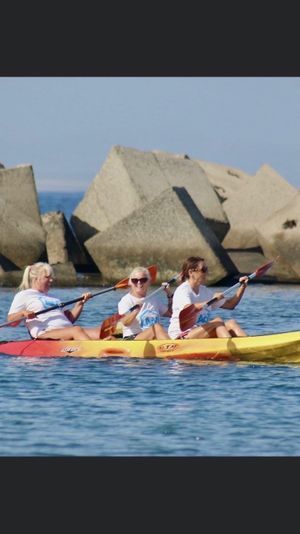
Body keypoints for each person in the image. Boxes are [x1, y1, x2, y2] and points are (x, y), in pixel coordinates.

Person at [7, 262, 108, 341]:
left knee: (101, 331)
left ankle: (112, 344)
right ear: (36, 278)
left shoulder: (53, 298)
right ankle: (94, 348)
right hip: (44, 334)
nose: (51, 280)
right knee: (76, 330)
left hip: (67, 331)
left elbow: (70, 319)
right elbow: (11, 321)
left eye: (51, 277)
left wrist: (80, 303)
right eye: (47, 277)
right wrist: (23, 313)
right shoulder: (24, 295)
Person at [168, 256, 248, 340]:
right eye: (204, 269)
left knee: (231, 323)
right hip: (181, 336)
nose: (206, 273)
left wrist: (242, 287)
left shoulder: (205, 291)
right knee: (217, 321)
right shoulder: (183, 290)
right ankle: (231, 349)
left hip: (200, 333)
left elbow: (231, 305)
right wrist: (212, 300)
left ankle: (248, 345)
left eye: (206, 269)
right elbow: (188, 308)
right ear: (191, 272)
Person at [118, 266, 172, 340]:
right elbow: (124, 322)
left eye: (143, 280)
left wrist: (169, 294)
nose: (139, 283)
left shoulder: (154, 299)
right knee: (156, 327)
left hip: (152, 338)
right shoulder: (125, 300)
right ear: (130, 282)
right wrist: (136, 311)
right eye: (135, 280)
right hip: (132, 339)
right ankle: (171, 347)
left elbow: (171, 314)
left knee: (162, 328)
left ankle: (171, 345)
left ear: (149, 282)